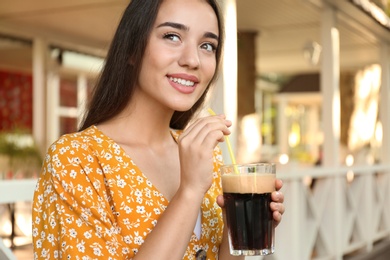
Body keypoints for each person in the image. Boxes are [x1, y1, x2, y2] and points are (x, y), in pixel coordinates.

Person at [32, 0, 285, 259]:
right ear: (132, 49)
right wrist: (189, 191)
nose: (192, 60)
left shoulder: (204, 154)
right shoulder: (76, 159)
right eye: (172, 36)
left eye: (207, 45)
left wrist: (238, 230)